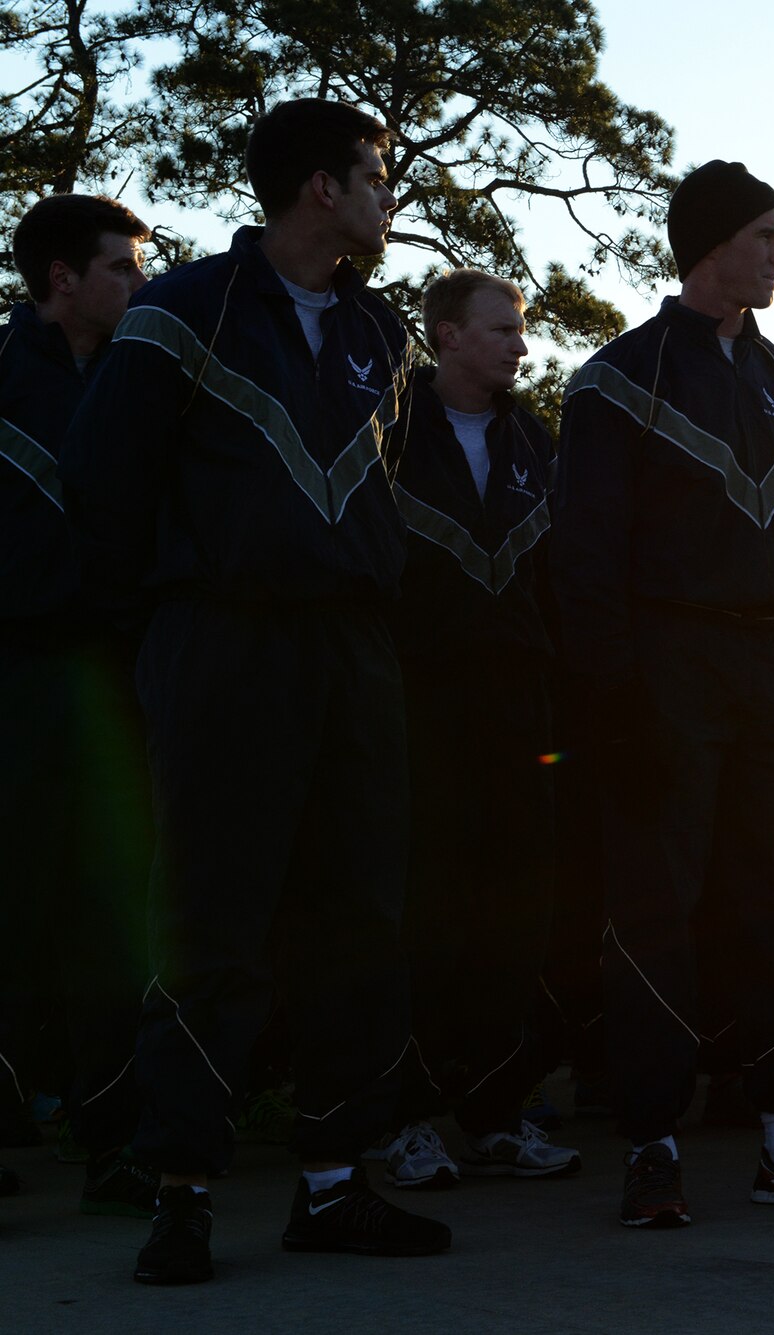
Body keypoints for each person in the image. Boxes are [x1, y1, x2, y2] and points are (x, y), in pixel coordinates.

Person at [61, 99, 449, 1285]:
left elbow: (387, 493)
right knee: (210, 919)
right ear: (322, 188)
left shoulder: (384, 333)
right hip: (220, 644)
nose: (389, 194)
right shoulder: (183, 311)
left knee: (360, 918)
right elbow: (103, 487)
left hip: (352, 652)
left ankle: (334, 1182)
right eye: (376, 174)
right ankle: (180, 1192)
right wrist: (169, 638)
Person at [553, 159, 774, 1226]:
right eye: (764, 235)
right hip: (669, 668)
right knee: (658, 911)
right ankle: (651, 1145)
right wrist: (614, 703)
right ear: (710, 244)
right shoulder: (616, 378)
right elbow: (585, 558)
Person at [374, 268, 580, 1186]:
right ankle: (405, 1118)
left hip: (519, 712)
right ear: (447, 335)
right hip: (417, 707)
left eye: (522, 330)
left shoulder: (533, 438)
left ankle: (495, 1114)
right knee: (423, 916)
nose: (520, 345)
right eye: (502, 329)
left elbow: (559, 579)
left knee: (514, 916)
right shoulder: (388, 429)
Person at [0, 193, 155, 1215]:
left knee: (115, 920)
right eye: (123, 266)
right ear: (63, 278)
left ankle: (115, 1146)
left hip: (122, 685)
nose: (141, 282)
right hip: (15, 683)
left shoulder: (145, 379)